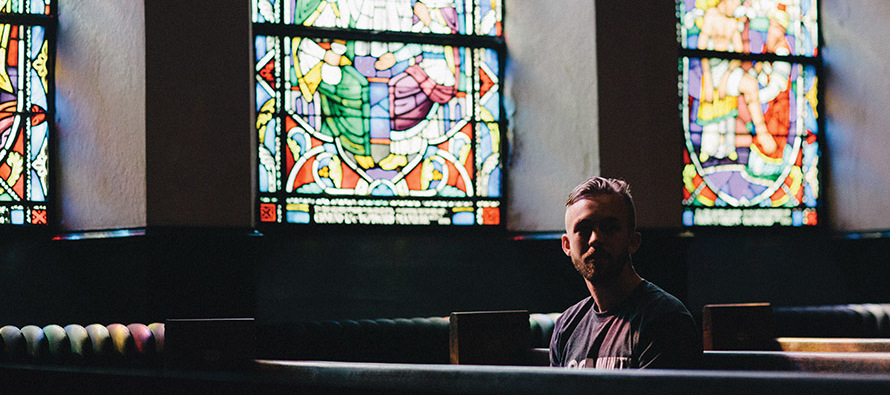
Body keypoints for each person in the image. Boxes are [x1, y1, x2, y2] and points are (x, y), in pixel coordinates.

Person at [550, 177, 701, 369]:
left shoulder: (666, 320)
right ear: (567, 245)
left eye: (610, 228)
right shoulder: (567, 326)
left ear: (633, 241)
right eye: (584, 229)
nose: (595, 239)